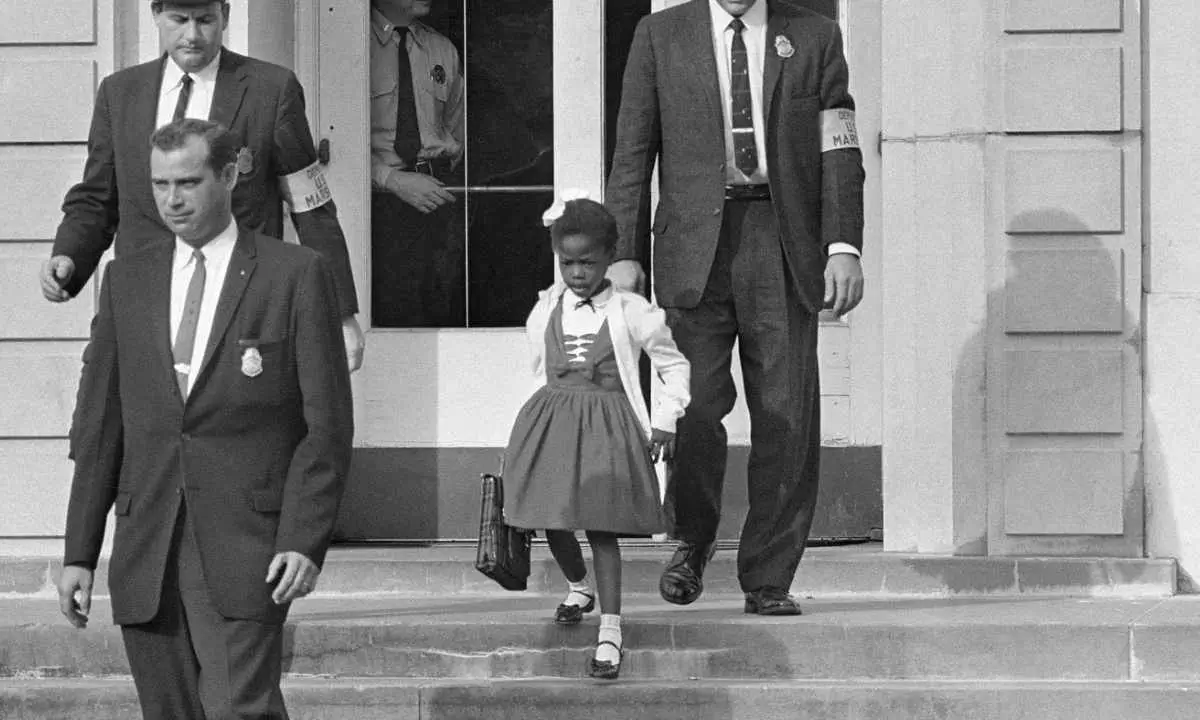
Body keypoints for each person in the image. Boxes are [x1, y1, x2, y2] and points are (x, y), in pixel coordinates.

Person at [56, 118, 354, 719]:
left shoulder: (293, 274)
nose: (172, 200)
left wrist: (303, 538)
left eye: (188, 182)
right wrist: (80, 552)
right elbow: (101, 427)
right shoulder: (127, 278)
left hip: (250, 544)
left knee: (240, 709)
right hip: (148, 544)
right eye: (160, 185)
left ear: (229, 173)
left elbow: (327, 426)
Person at [605, 0, 866, 616]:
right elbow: (632, 151)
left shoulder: (817, 38)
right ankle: (692, 541)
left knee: (785, 414)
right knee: (693, 407)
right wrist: (622, 250)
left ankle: (768, 576)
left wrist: (843, 244)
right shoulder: (658, 35)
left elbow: (840, 150)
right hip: (693, 249)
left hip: (785, 240)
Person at [41, 0, 365, 371]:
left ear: (225, 15)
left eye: (205, 20)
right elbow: (98, 197)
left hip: (240, 312)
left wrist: (341, 314)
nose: (192, 35)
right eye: (179, 20)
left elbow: (311, 207)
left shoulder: (271, 90)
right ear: (156, 16)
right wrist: (69, 256)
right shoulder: (119, 93)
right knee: (98, 427)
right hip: (139, 309)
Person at [502, 195, 690, 680]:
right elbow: (538, 366)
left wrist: (667, 417)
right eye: (568, 263)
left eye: (588, 262)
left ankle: (610, 630)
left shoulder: (632, 311)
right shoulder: (547, 308)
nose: (578, 273)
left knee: (602, 528)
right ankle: (578, 585)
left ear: (611, 258)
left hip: (607, 426)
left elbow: (673, 364)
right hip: (554, 422)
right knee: (552, 518)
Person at [370, 0, 466, 327]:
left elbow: (456, 129)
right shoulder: (352, 45)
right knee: (392, 312)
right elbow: (336, 139)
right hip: (377, 203)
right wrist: (391, 180)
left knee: (443, 308)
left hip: (437, 196)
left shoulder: (441, 50)